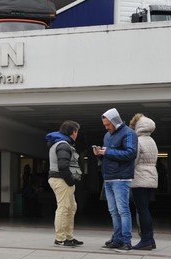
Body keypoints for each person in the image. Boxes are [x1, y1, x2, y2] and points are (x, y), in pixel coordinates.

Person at [94, 107, 138, 251]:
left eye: (108, 124)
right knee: (113, 211)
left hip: (121, 178)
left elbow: (131, 154)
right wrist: (100, 153)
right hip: (108, 178)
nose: (106, 128)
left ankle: (126, 241)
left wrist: (107, 151)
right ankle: (117, 239)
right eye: (105, 125)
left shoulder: (129, 133)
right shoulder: (107, 135)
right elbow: (109, 155)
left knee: (123, 210)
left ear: (115, 121)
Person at [46, 121, 84, 247]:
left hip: (60, 179)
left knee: (71, 207)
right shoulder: (63, 145)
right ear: (73, 132)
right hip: (61, 179)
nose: (77, 134)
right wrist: (71, 180)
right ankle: (60, 238)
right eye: (77, 131)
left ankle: (68, 236)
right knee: (64, 208)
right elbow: (63, 166)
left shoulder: (61, 143)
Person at [129, 113, 158, 250]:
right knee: (146, 210)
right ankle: (150, 239)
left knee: (141, 210)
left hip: (139, 178)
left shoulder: (138, 141)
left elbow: (133, 160)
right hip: (151, 178)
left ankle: (145, 239)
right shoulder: (152, 141)